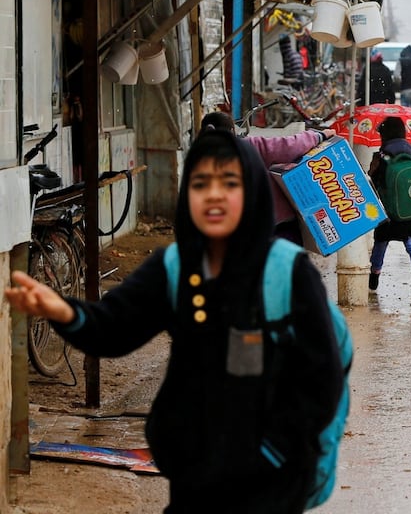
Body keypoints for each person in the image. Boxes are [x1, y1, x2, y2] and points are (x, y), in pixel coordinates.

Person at [5, 129, 346, 513]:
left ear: (252, 191)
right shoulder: (175, 268)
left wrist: (275, 450)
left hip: (272, 479)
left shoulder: (291, 273)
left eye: (229, 183)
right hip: (196, 472)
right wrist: (62, 311)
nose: (214, 195)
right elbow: (114, 329)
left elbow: (323, 379)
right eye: (202, 183)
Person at [199, 111, 334, 244]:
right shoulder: (248, 146)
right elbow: (288, 147)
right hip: (276, 226)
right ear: (231, 130)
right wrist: (319, 135)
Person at [366, 117, 411, 296]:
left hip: (388, 209)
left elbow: (374, 181)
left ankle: (374, 275)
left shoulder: (381, 156)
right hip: (410, 208)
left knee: (381, 242)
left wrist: (372, 169)